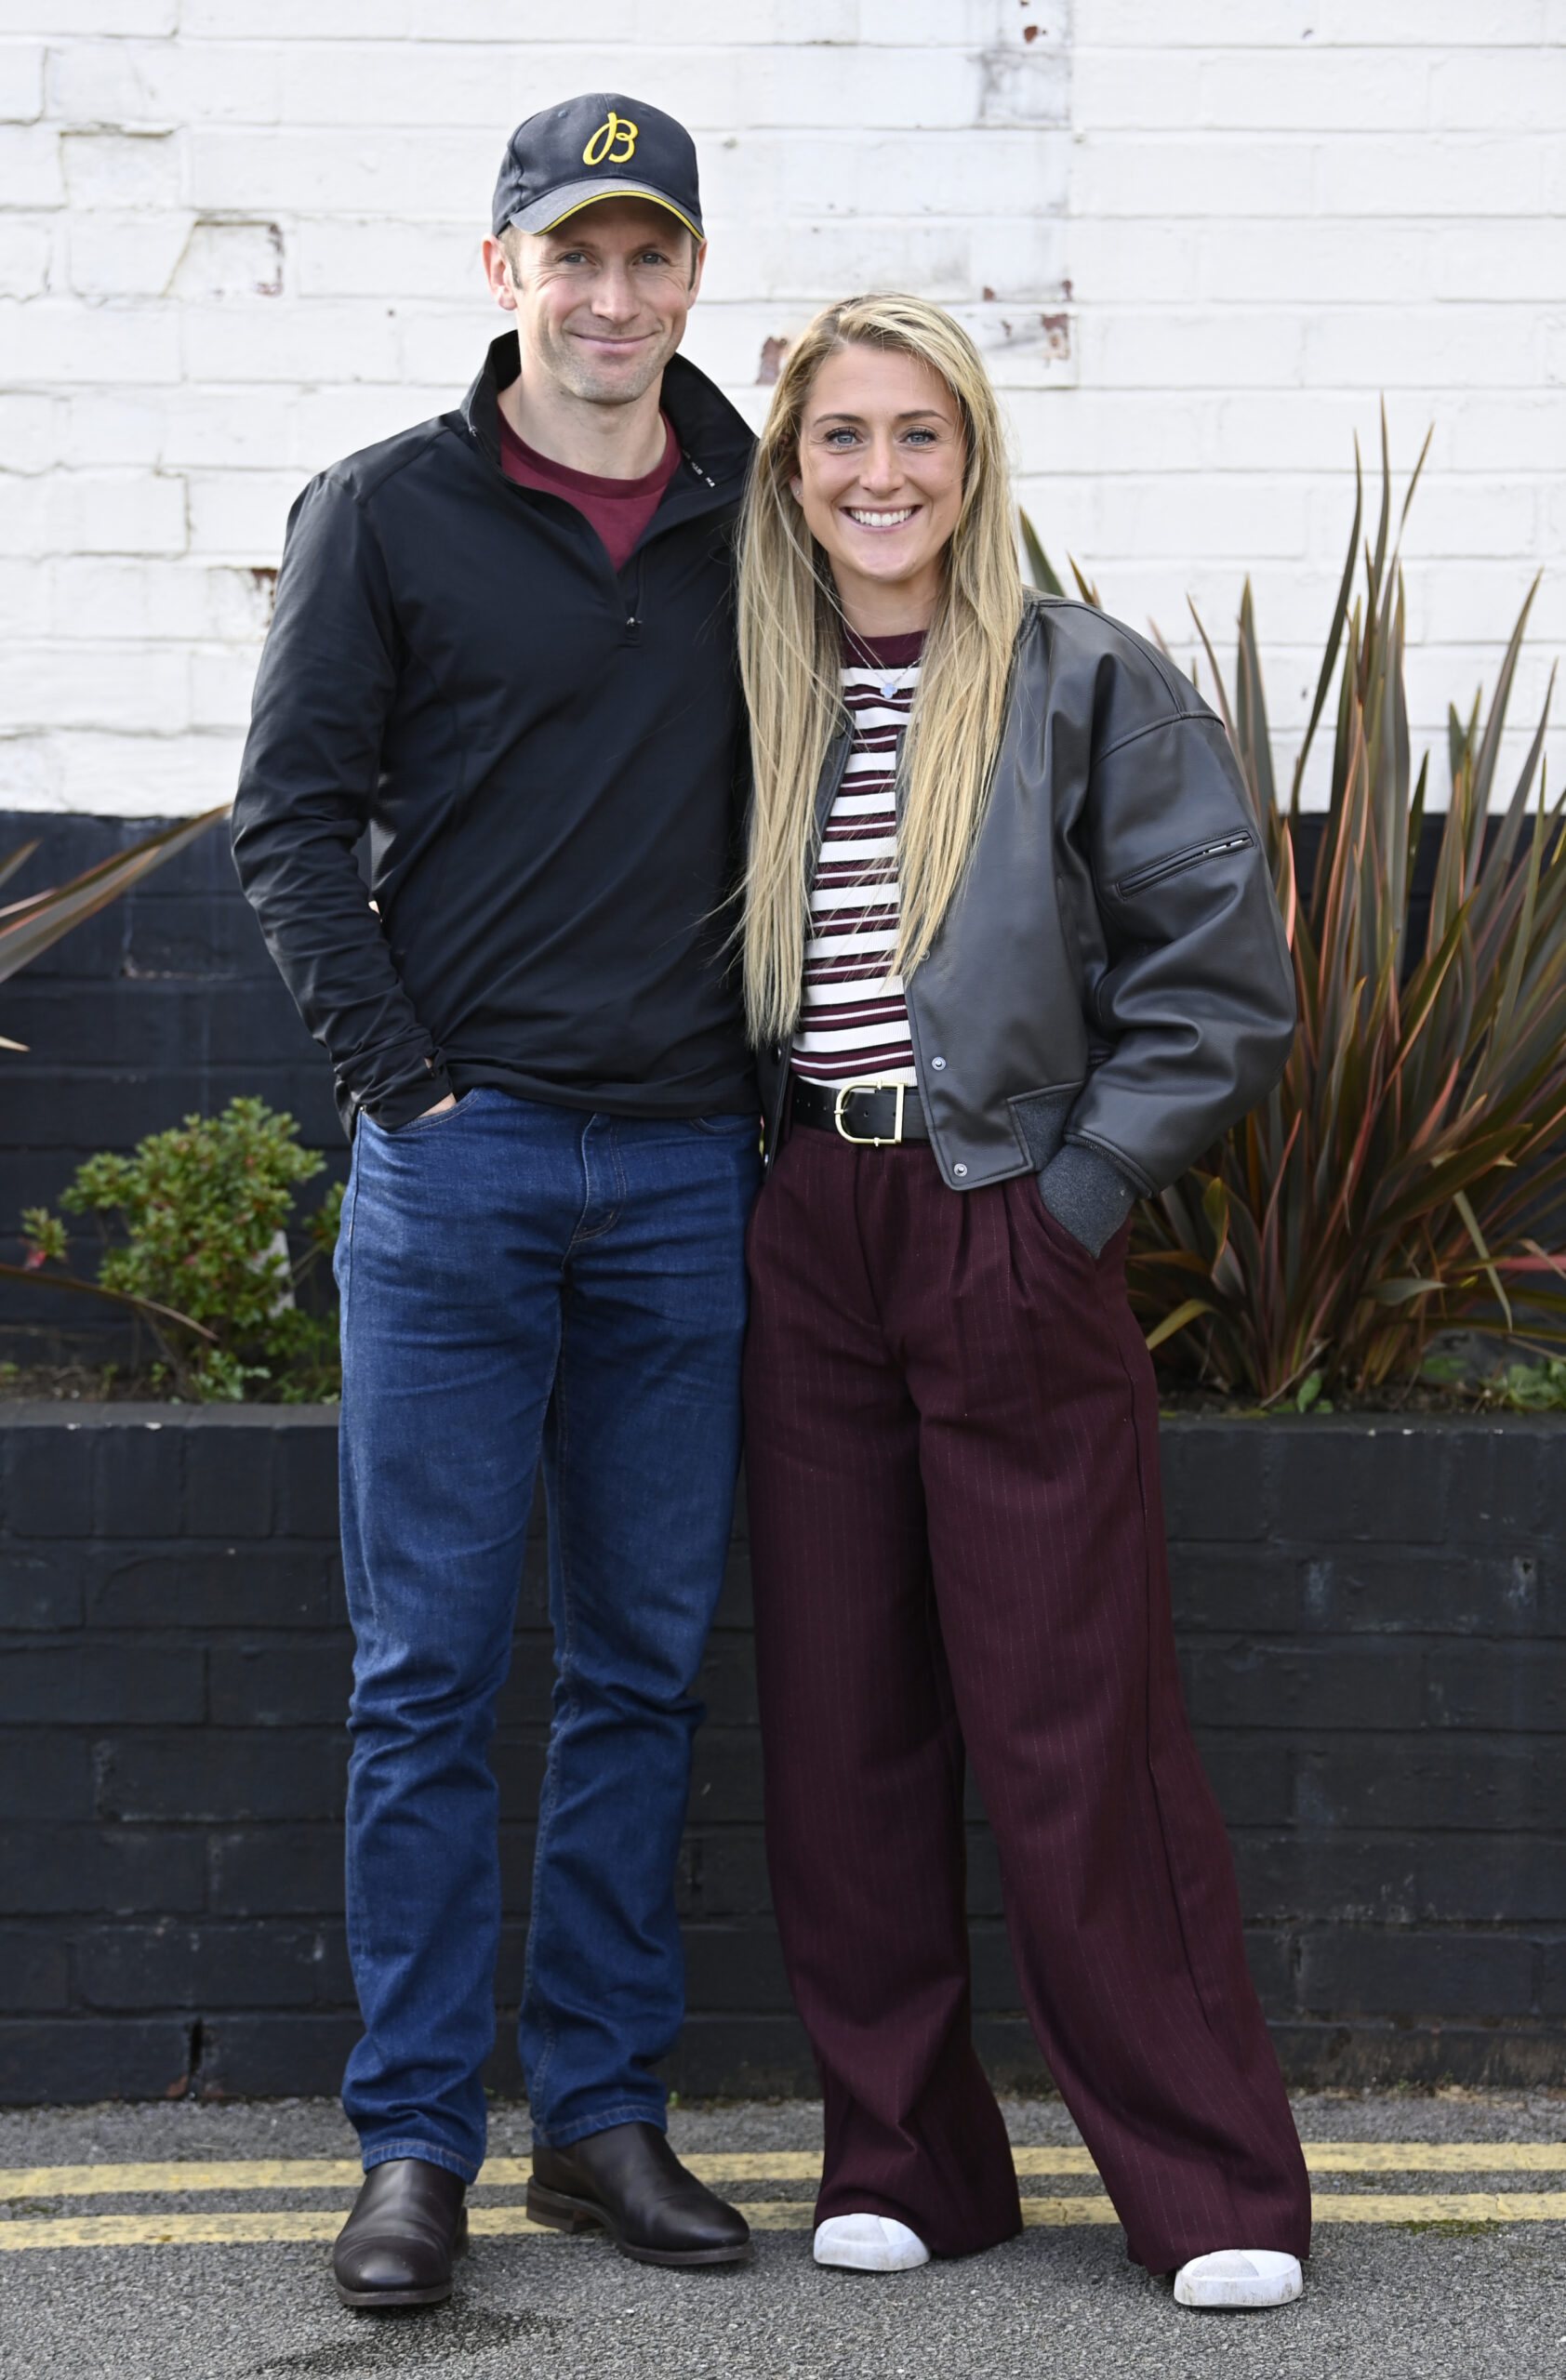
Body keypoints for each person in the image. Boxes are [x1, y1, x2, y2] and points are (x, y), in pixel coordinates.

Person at [232, 95, 760, 2305]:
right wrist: (410, 1090)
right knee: (426, 1670)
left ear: (690, 276)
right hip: (459, 1170)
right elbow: (285, 823)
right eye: (573, 254)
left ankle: (602, 2118)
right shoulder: (385, 512)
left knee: (640, 1666)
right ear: (502, 271)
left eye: (647, 256)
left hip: (685, 1174)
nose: (610, 296)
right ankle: (415, 2142)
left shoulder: (765, 515)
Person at [737, 294, 1313, 2311]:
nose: (880, 472)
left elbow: (1219, 979)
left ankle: (1210, 2183)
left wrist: (1070, 1201)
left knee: (1074, 1727)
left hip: (1000, 1210)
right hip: (804, 1223)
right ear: (789, 469)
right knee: (842, 1720)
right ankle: (906, 2155)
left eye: (920, 433)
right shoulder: (756, 681)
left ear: (973, 459)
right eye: (840, 437)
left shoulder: (1083, 678)